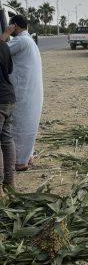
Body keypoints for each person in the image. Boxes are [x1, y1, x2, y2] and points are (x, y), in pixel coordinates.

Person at [1, 15, 44, 171]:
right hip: (30, 90)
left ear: (14, 25)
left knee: (19, 125)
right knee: (27, 123)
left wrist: (5, 34)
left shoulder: (21, 41)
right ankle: (27, 156)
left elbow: (1, 50)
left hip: (23, 91)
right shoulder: (28, 40)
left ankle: (20, 161)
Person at [0, 38, 16, 195]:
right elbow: (9, 69)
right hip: (9, 98)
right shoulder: (4, 45)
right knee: (7, 140)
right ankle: (10, 183)